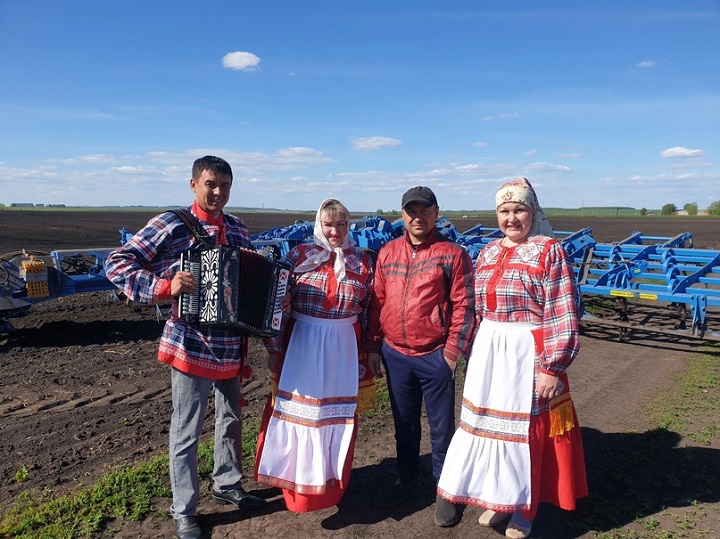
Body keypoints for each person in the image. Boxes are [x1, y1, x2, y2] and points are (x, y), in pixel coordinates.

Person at [105, 156, 266, 539]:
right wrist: (165, 286)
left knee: (231, 421)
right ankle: (184, 509)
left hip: (231, 345)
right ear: (193, 184)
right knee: (186, 430)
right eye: (211, 183)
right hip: (191, 344)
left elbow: (249, 282)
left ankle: (227, 485)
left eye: (225, 185)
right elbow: (117, 263)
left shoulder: (239, 229)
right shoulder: (173, 223)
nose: (218, 192)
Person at [436, 178, 588, 539]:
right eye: (504, 211)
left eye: (519, 209)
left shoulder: (549, 250)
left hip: (528, 350)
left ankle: (526, 508)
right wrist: (466, 348)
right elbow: (474, 306)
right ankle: (500, 497)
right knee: (490, 427)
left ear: (532, 212)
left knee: (526, 431)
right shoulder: (487, 251)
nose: (511, 218)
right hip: (490, 350)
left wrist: (551, 366)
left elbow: (563, 310)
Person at [254, 198, 376, 512]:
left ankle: (330, 485)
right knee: (300, 414)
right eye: (328, 224)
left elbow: (368, 312)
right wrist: (274, 348)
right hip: (303, 344)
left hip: (343, 347)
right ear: (317, 225)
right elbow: (276, 304)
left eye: (341, 224)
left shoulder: (362, 262)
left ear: (348, 227)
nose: (334, 231)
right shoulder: (299, 256)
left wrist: (369, 352)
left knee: (335, 416)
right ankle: (296, 490)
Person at [365, 186, 476, 527]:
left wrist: (452, 353)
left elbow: (465, 306)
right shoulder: (387, 253)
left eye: (424, 210)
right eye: (411, 210)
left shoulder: (452, 254)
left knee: (441, 427)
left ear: (436, 212)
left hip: (435, 355)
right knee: (404, 423)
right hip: (395, 354)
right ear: (402, 214)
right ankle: (406, 479)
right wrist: (373, 345)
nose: (417, 216)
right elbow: (376, 302)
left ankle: (446, 488)